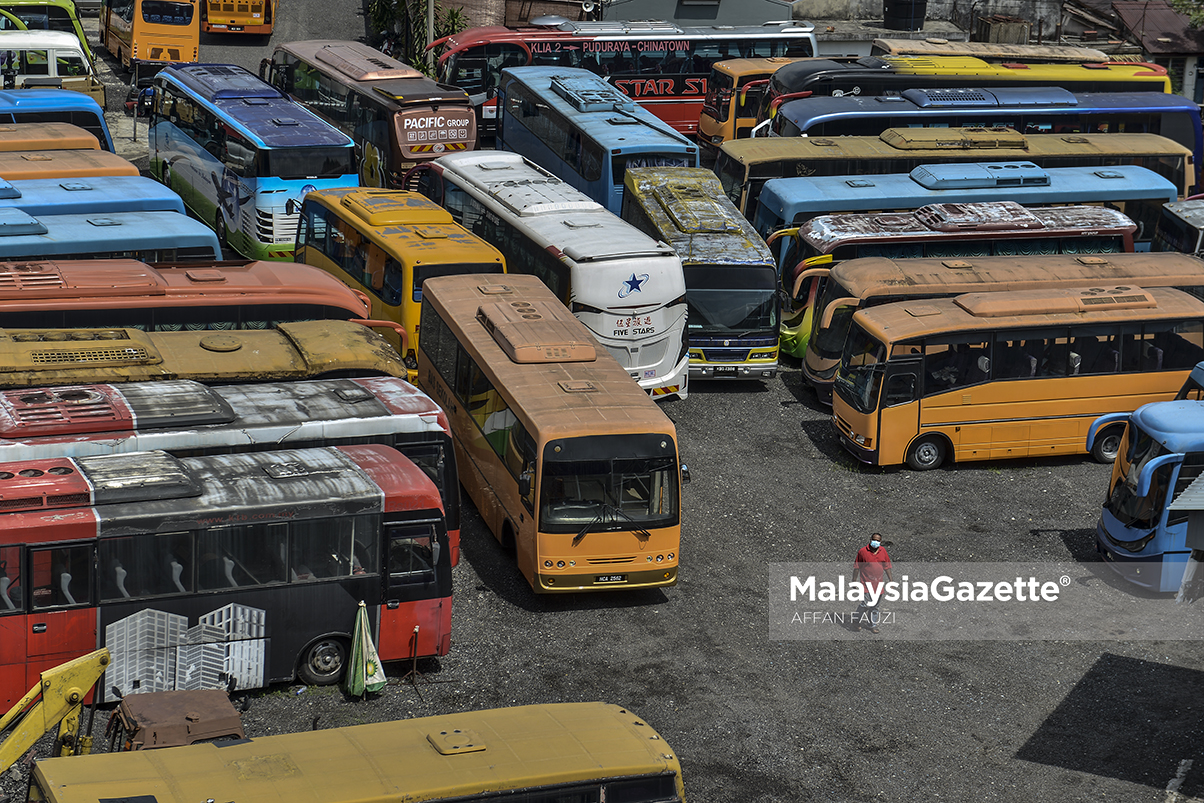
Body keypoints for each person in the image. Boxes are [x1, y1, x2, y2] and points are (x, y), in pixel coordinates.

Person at [852, 533, 893, 634]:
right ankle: (856, 620)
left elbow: (887, 566)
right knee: (866, 604)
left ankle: (872, 624)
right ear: (870, 540)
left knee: (875, 606)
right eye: (874, 540)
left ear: (881, 542)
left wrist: (891, 580)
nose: (875, 542)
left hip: (878, 583)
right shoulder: (862, 552)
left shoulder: (883, 551)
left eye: (878, 540)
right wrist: (854, 581)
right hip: (866, 583)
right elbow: (857, 567)